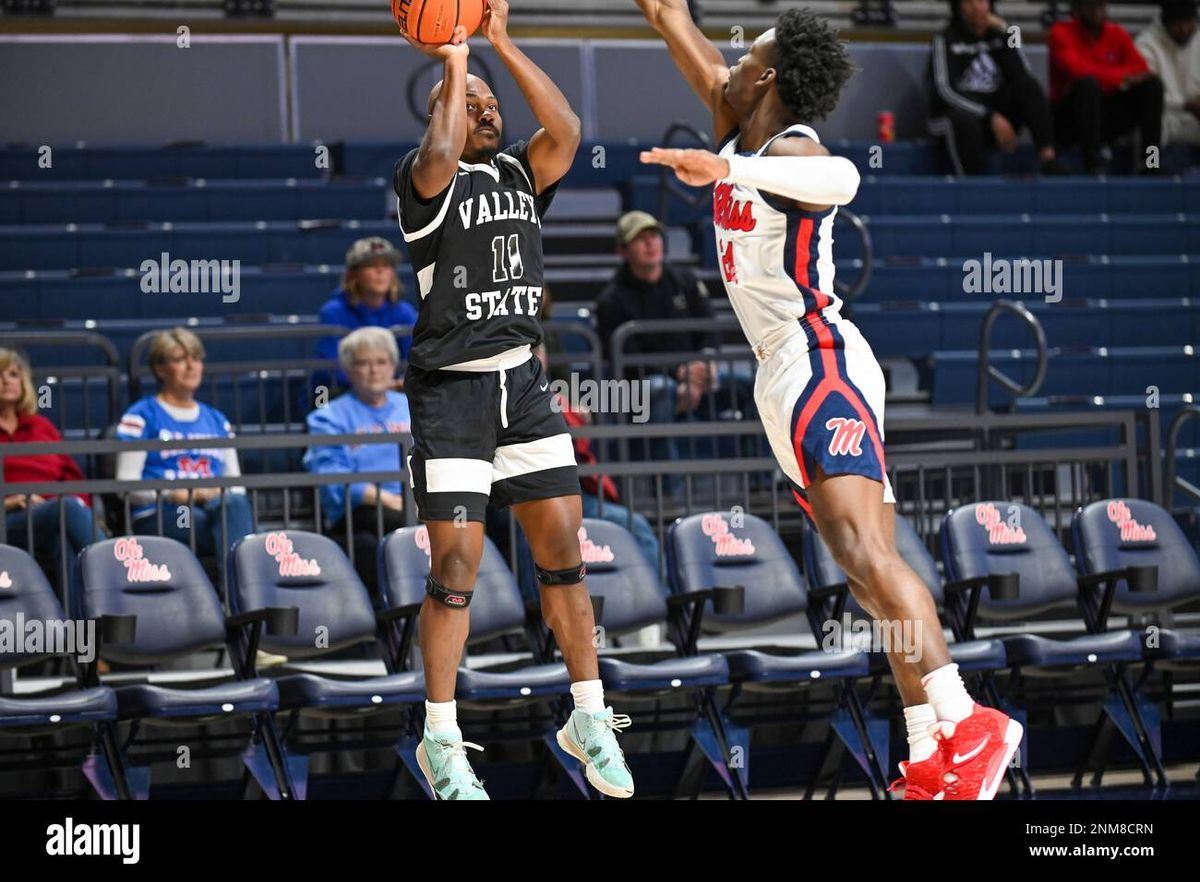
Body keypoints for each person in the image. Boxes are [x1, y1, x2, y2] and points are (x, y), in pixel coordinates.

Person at [634, 1, 1023, 799]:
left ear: (770, 76)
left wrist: (730, 172)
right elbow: (675, 21)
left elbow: (839, 179)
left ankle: (968, 717)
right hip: (779, 376)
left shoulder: (790, 149)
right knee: (860, 575)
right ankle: (927, 750)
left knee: (863, 551)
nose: (732, 61)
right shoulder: (733, 121)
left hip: (823, 364)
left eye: (748, 55)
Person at [393, 0, 634, 799]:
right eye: (472, 106)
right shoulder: (423, 183)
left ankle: (589, 716)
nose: (486, 112)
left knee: (564, 550)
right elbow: (438, 146)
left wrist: (499, 41)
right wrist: (454, 64)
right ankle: (440, 736)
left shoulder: (519, 174)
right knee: (457, 561)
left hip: (523, 384)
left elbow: (565, 128)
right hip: (452, 395)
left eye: (492, 106)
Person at [116, 328, 254, 560]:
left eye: (196, 358)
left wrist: (214, 492)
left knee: (234, 506)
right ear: (160, 369)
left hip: (214, 508)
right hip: (162, 511)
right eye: (180, 360)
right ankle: (241, 592)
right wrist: (172, 493)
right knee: (245, 538)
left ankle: (234, 590)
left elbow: (236, 485)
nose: (191, 366)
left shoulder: (217, 420)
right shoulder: (141, 415)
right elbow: (125, 486)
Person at [304, 327, 411, 594]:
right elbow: (334, 481)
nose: (374, 370)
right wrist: (392, 500)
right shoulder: (328, 417)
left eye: (381, 362)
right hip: (362, 512)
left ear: (393, 366)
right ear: (349, 370)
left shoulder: (413, 407)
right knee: (396, 523)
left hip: (418, 501)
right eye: (363, 363)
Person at [0, 348, 100, 589]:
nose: (6, 380)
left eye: (13, 374)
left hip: (49, 516)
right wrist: (11, 501)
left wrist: (83, 508)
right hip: (7, 519)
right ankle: (118, 571)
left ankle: (76, 623)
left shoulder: (42, 427)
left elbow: (71, 479)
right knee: (66, 508)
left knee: (63, 539)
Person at [928, 0, 1062, 174]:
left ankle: (1048, 160)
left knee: (1028, 87)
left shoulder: (1004, 34)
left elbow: (1023, 74)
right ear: (959, 7)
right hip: (958, 116)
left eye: (982, 1)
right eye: (970, 2)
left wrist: (1006, 31)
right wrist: (989, 116)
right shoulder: (944, 39)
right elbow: (944, 91)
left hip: (996, 118)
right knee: (964, 123)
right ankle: (970, 187)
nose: (978, 7)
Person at [1049, 0, 1165, 174]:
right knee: (1088, 85)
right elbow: (1077, 70)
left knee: (1153, 86)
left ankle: (1151, 162)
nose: (1096, 11)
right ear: (1077, 9)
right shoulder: (1060, 32)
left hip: (1106, 115)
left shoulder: (1116, 33)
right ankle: (1093, 165)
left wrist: (1110, 77)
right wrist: (1121, 77)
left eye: (1100, 5)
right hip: (1069, 118)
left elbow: (1141, 69)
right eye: (1090, 6)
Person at [314, 236, 418, 394]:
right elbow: (331, 368)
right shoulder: (333, 311)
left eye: (387, 265)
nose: (380, 271)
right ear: (353, 274)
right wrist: (377, 384)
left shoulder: (404, 312)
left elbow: (414, 362)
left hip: (392, 394)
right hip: (346, 394)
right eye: (371, 265)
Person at [1136, 0, 1200, 146]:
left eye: (1189, 23)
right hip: (1166, 117)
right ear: (1165, 23)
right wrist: (1186, 105)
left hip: (1194, 119)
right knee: (1149, 124)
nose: (1184, 29)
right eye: (1177, 24)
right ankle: (1151, 165)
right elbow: (1146, 97)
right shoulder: (1146, 44)